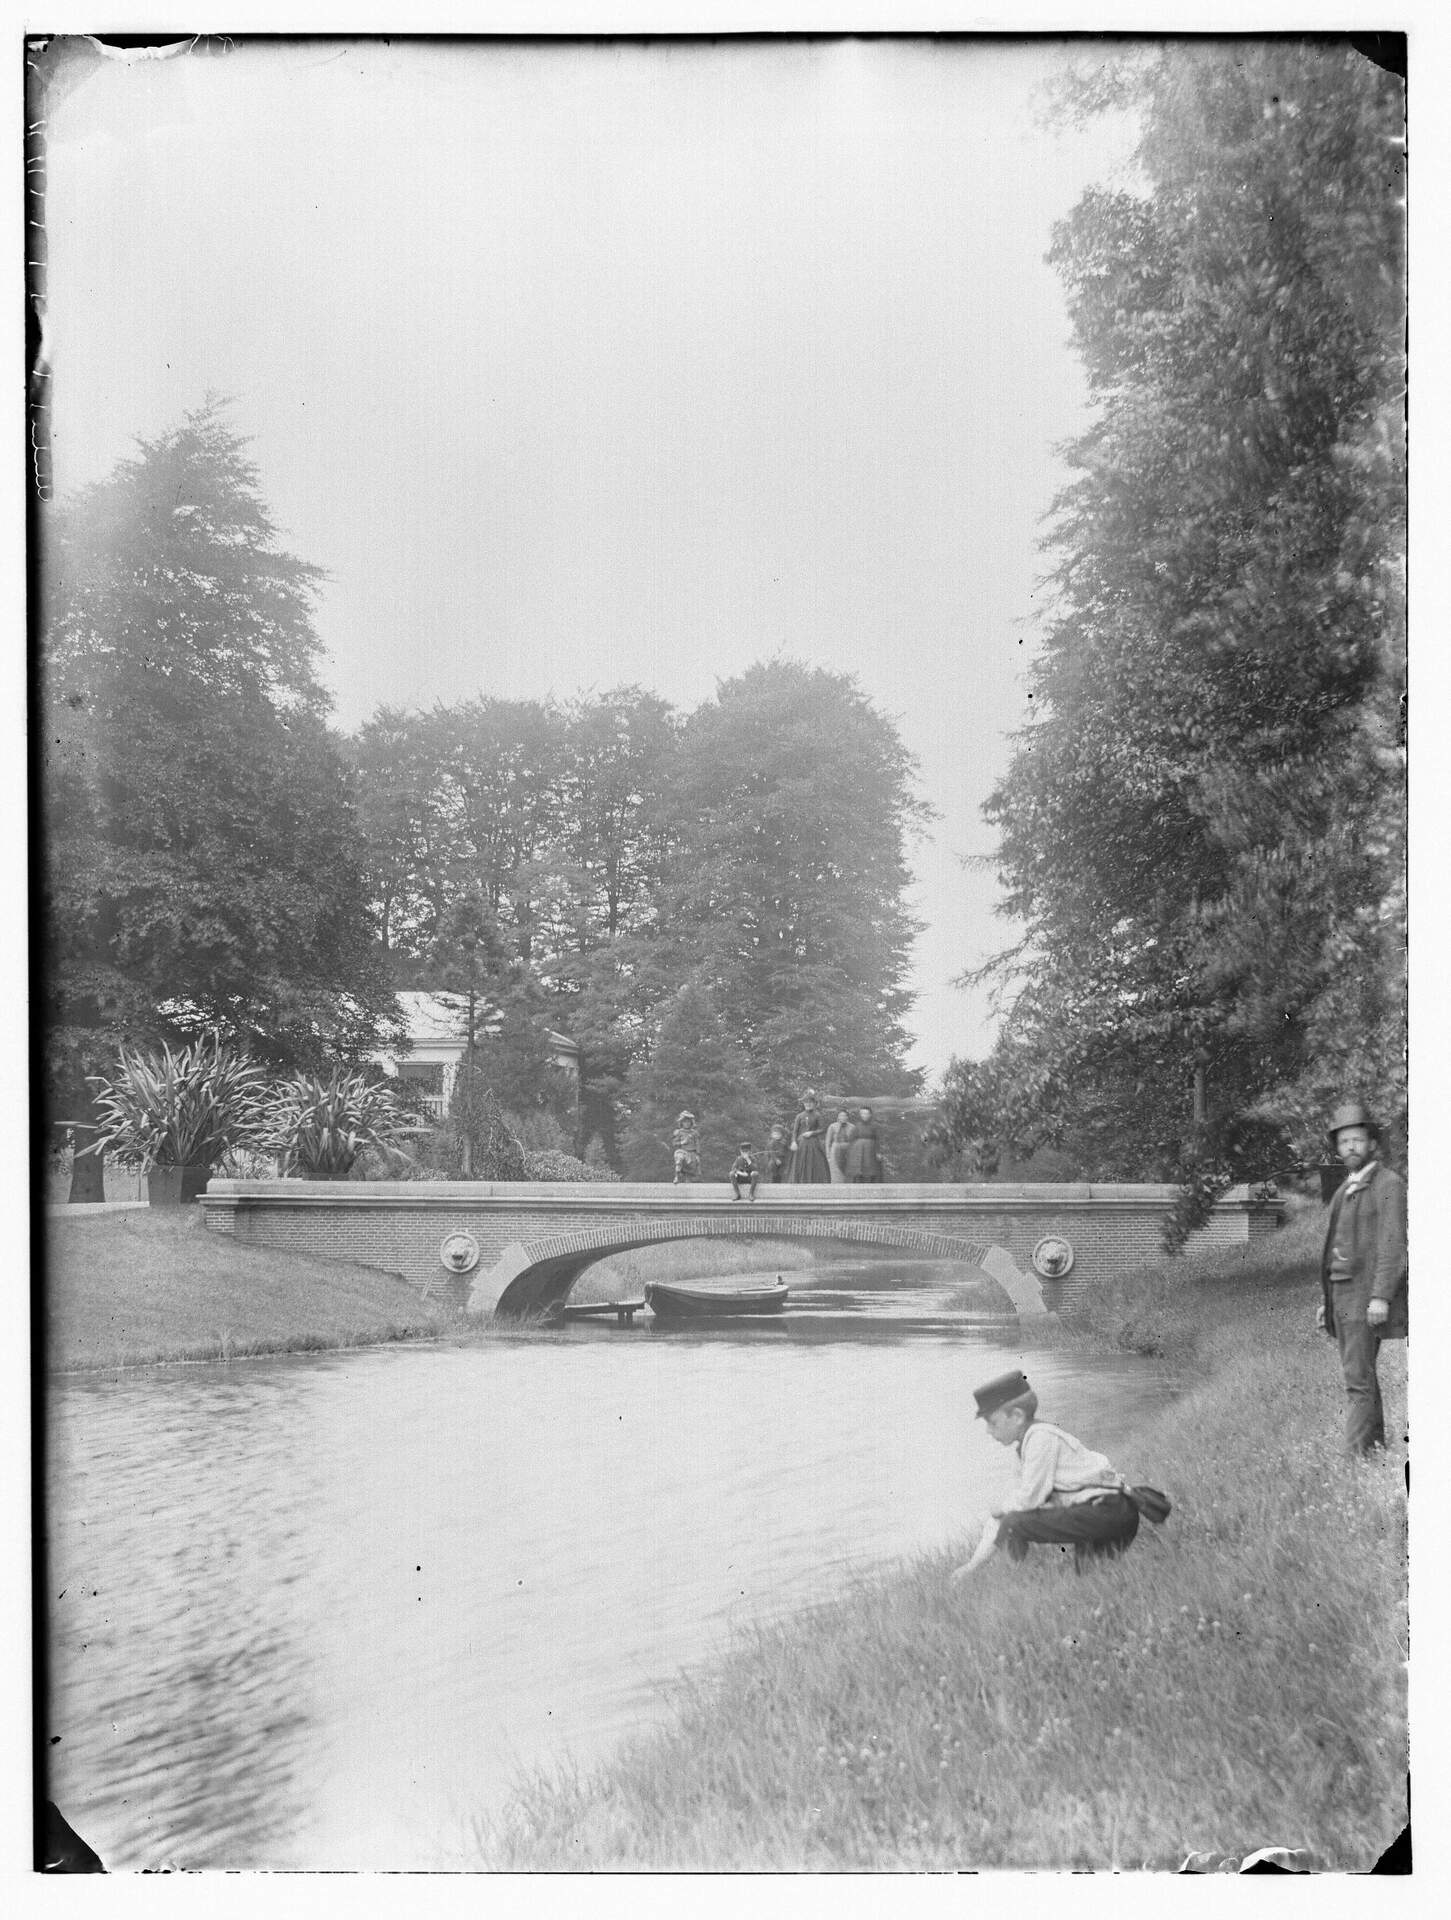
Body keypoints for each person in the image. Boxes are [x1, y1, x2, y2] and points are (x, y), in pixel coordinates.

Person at [950, 1369, 1140, 1579]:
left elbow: (1026, 1502)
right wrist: (972, 1566)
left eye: (993, 1422)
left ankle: (1017, 1579)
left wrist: (1002, 1510)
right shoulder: (1027, 1445)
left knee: (1015, 1523)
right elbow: (1010, 1508)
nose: (989, 1431)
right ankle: (1019, 1577)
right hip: (1105, 1513)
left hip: (1109, 1511)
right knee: (1091, 1578)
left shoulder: (1040, 1438)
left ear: (1017, 1416)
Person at [1317, 1101, 1407, 1456]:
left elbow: (1392, 1244)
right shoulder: (1343, 1191)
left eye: (1357, 1139)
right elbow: (1333, 1252)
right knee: (1362, 1375)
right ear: (1337, 1149)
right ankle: (1375, 1451)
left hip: (1364, 1298)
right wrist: (1326, 1304)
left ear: (1372, 1143)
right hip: (1341, 1298)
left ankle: (1353, 1459)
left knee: (1357, 1381)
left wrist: (1381, 1296)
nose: (1350, 1147)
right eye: (1344, 1142)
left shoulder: (1389, 1183)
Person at [787, 1090, 831, 1183]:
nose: (808, 1104)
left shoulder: (818, 1115)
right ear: (803, 1104)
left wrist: (812, 1133)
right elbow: (795, 1131)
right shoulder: (799, 1116)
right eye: (806, 1102)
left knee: (814, 1162)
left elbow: (823, 1129)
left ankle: (814, 1182)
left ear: (814, 1104)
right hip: (801, 1144)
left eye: (810, 1102)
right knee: (799, 1163)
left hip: (813, 1144)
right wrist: (794, 1142)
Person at [845, 1105, 883, 1183]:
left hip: (870, 1152)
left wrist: (878, 1152)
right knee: (858, 1170)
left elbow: (878, 1139)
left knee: (871, 1170)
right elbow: (851, 1139)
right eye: (862, 1113)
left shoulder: (875, 1126)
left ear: (870, 1115)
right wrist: (850, 1151)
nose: (864, 1116)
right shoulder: (857, 1125)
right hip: (858, 1152)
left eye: (866, 1114)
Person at [670, 1110, 700, 1184]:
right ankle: (676, 1176)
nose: (687, 1124)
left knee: (689, 1172)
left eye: (688, 1122)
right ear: (681, 1123)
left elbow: (697, 1144)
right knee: (679, 1159)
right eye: (685, 1122)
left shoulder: (694, 1133)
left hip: (691, 1153)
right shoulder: (679, 1132)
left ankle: (687, 1186)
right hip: (682, 1151)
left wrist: (698, 1154)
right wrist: (682, 1142)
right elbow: (674, 1143)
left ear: (691, 1123)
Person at [825, 1110, 853, 1183]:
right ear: (838, 1117)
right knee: (836, 1170)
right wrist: (828, 1155)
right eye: (841, 1115)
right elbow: (828, 1141)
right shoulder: (832, 1126)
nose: (843, 1117)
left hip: (848, 1151)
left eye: (845, 1116)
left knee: (847, 1170)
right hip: (836, 1149)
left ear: (847, 1117)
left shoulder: (852, 1127)